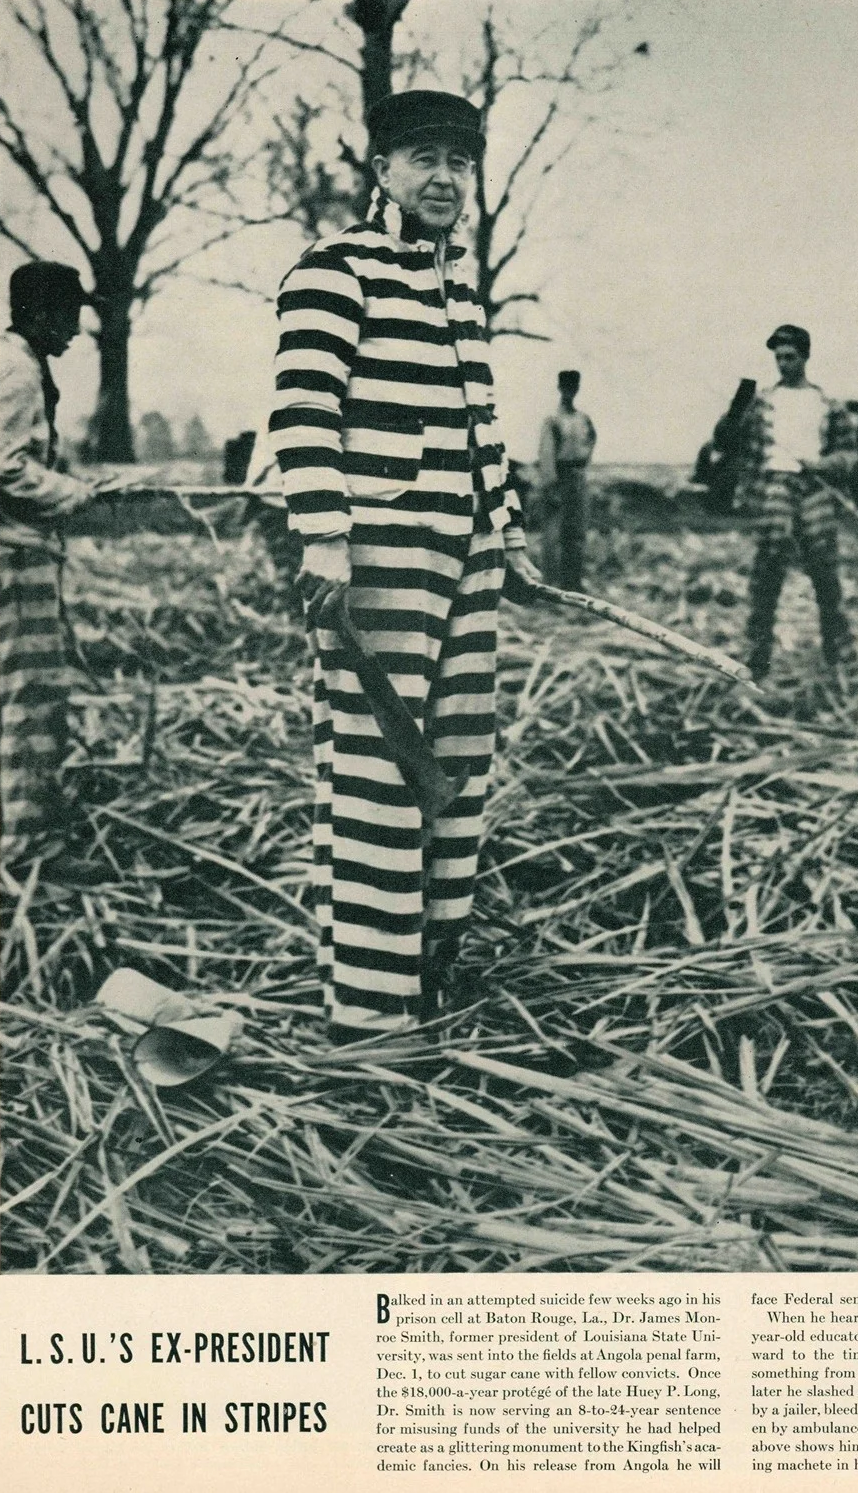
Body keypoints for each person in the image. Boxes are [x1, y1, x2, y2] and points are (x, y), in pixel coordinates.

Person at [269, 90, 541, 1042]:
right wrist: (325, 536)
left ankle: (430, 974)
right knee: (381, 768)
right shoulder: (333, 269)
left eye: (459, 162)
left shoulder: (458, 285)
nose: (444, 178)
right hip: (380, 548)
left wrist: (506, 531)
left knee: (457, 760)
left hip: (468, 551)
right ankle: (370, 1014)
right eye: (423, 158)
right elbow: (303, 407)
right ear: (381, 169)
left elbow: (482, 427)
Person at [0, 261, 105, 881]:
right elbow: (3, 467)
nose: (76, 330)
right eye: (68, 316)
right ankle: (30, 849)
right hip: (15, 555)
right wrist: (74, 495)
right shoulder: (16, 371)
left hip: (15, 550)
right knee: (32, 701)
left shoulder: (15, 363)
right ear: (40, 314)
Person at [734, 324, 858, 683]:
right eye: (778, 357)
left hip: (814, 488)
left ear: (805, 357)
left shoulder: (828, 405)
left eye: (790, 357)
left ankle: (840, 658)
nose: (783, 363)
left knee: (825, 573)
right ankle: (755, 658)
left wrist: (823, 464)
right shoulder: (763, 403)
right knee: (767, 573)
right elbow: (738, 445)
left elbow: (849, 455)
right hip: (776, 487)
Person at [538, 369, 596, 590]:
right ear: (560, 388)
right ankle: (551, 584)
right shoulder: (553, 420)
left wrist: (581, 467)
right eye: (566, 387)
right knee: (554, 534)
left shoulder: (583, 419)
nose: (570, 391)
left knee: (576, 531)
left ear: (577, 388)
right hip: (558, 479)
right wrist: (550, 485)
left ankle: (572, 581)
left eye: (573, 387)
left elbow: (591, 441)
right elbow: (546, 454)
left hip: (577, 479)